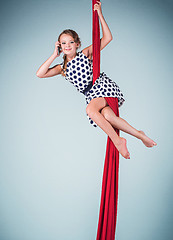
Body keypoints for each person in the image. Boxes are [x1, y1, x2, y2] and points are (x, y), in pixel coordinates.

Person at [36, 1, 157, 159]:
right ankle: (140, 134)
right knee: (109, 118)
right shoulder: (61, 68)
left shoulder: (85, 53)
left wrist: (99, 14)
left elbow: (108, 38)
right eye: (63, 43)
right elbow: (40, 74)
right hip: (91, 95)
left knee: (91, 111)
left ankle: (118, 141)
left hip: (101, 86)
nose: (67, 45)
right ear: (60, 46)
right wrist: (54, 55)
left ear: (77, 44)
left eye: (70, 42)